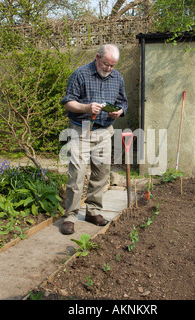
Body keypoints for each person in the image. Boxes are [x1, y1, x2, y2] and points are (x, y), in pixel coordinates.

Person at [60, 44, 128, 235]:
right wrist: (86, 107)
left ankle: (93, 211)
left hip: (105, 131)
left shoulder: (117, 77)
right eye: (106, 64)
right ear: (97, 57)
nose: (108, 69)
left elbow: (124, 102)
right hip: (81, 130)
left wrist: (120, 111)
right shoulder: (80, 74)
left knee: (101, 174)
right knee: (77, 175)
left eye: (112, 66)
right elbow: (68, 102)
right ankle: (71, 216)